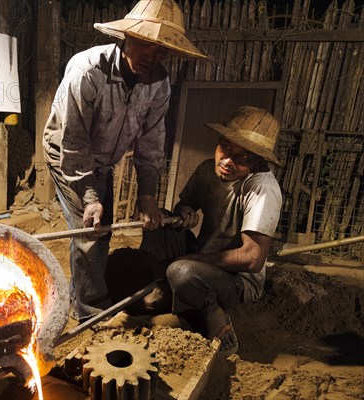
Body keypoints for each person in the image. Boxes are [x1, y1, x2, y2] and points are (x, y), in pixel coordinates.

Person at [43, 0, 206, 321]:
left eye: (161, 50)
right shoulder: (87, 72)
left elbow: (151, 142)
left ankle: (84, 292)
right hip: (66, 154)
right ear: (127, 36)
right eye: (146, 43)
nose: (152, 56)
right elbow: (74, 142)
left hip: (103, 160)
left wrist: (147, 194)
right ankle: (90, 311)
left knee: (101, 230)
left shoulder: (158, 83)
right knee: (91, 228)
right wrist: (89, 198)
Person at [123, 106, 283, 356]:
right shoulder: (209, 169)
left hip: (236, 279)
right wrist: (185, 213)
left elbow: (253, 258)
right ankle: (164, 287)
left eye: (243, 158)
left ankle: (212, 314)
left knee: (182, 271)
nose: (228, 161)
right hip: (203, 257)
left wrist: (196, 259)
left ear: (258, 161)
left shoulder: (262, 189)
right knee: (160, 219)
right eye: (226, 148)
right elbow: (184, 204)